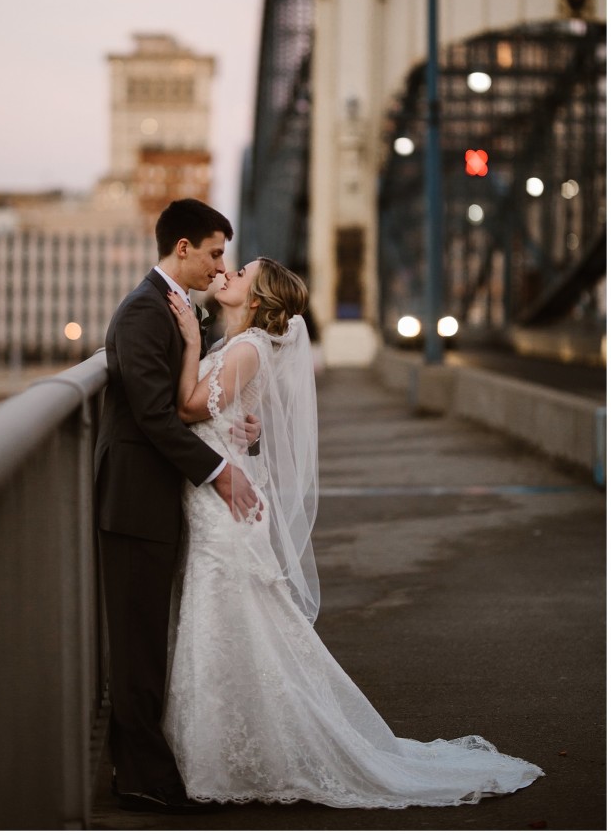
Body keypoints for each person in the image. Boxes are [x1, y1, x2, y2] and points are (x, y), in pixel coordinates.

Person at [162, 256, 545, 809]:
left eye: (241, 271)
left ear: (258, 299)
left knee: (229, 619)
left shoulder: (245, 349)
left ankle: (231, 755)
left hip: (227, 504)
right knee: (232, 621)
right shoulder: (246, 347)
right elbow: (225, 415)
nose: (230, 273)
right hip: (222, 495)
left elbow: (187, 406)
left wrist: (190, 345)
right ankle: (227, 751)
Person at [94, 199, 262, 815]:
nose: (223, 264)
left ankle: (141, 766)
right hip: (135, 498)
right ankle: (139, 776)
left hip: (153, 495)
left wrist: (230, 430)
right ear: (183, 248)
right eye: (216, 252)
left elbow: (184, 403)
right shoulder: (143, 311)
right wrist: (218, 472)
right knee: (137, 645)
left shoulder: (174, 308)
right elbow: (153, 414)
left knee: (146, 640)